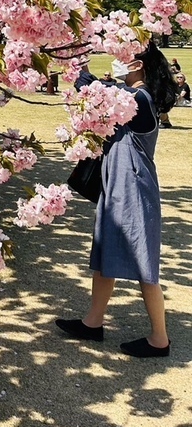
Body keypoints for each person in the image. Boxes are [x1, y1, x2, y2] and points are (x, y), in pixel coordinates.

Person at [56, 42, 178, 357]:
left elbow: (95, 92)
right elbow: (101, 89)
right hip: (119, 189)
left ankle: (160, 339)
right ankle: (93, 322)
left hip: (134, 192)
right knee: (105, 257)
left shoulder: (139, 98)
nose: (117, 62)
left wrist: (79, 70)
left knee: (143, 264)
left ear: (137, 64)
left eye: (123, 57)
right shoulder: (132, 96)